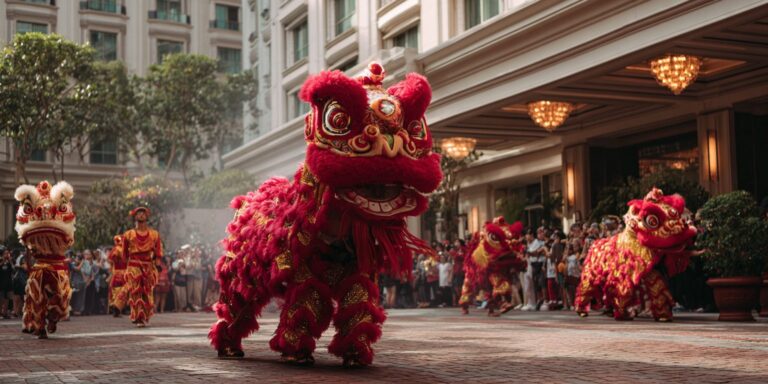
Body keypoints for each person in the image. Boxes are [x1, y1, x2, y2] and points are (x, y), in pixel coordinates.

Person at [16, 181, 76, 338]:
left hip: (58, 267)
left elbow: (68, 239)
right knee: (37, 298)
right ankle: (39, 325)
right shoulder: (34, 238)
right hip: (40, 267)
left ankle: (52, 319)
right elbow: (26, 242)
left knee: (61, 298)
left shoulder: (62, 236)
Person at [114, 207, 163, 328]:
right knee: (136, 291)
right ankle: (137, 317)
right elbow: (124, 253)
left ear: (147, 216)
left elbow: (158, 252)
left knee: (147, 292)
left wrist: (157, 263)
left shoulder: (154, 234)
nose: (141, 215)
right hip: (134, 265)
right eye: (138, 213)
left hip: (148, 266)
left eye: (143, 213)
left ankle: (144, 315)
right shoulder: (128, 234)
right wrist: (128, 266)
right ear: (134, 217)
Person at [107, 236, 127, 316]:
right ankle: (120, 307)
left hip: (117, 273)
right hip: (126, 273)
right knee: (124, 290)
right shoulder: (126, 249)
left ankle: (115, 306)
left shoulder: (116, 249)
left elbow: (110, 260)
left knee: (115, 290)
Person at [0, 249, 13, 319]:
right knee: (1, 298)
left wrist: (10, 261)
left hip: (8, 282)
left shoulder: (9, 262)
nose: (7, 255)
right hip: (1, 282)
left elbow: (13, 270)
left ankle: (5, 313)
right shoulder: (1, 261)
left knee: (8, 298)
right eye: (5, 253)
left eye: (8, 253)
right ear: (2, 254)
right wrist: (2, 262)